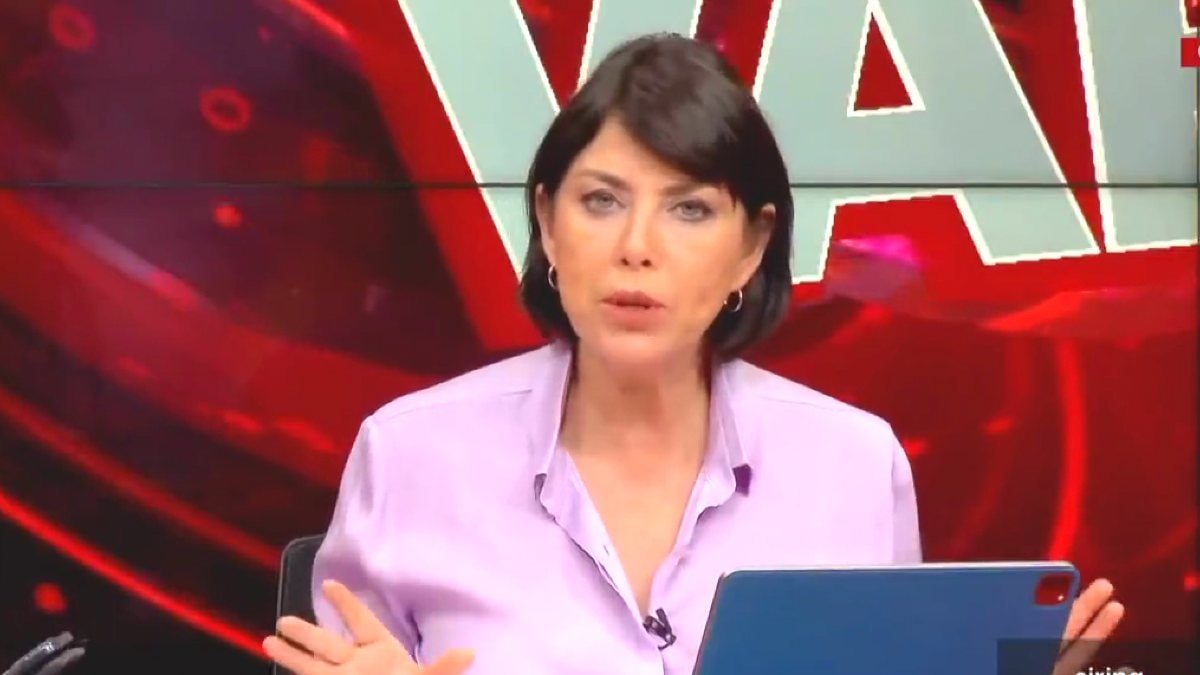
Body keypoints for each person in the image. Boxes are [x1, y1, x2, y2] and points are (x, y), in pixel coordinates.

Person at [262, 33, 1124, 675]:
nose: (637, 246)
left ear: (752, 248)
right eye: (602, 201)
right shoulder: (410, 453)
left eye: (690, 209)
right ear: (547, 225)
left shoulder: (855, 464)